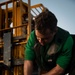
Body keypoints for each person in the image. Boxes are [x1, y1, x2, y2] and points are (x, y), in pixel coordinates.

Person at [24, 8, 73, 75]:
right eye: (38, 37)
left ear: (54, 31)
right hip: (43, 65)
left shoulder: (66, 40)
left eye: (45, 38)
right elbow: (28, 61)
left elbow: (59, 69)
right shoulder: (33, 36)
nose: (40, 41)